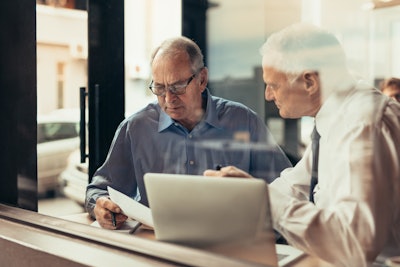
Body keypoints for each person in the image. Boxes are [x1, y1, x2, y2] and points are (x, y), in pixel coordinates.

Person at [204, 23, 400, 266]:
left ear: (309, 81)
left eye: (273, 85)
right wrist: (241, 197)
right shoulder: (334, 117)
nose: (267, 95)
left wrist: (261, 198)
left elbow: (355, 245)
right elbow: (295, 185)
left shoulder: (362, 125)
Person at [85, 36, 292, 229]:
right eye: (159, 88)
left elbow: (288, 191)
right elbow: (98, 190)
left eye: (177, 87)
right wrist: (100, 206)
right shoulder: (135, 128)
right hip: (156, 247)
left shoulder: (244, 122)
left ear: (202, 79)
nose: (168, 99)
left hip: (230, 245)